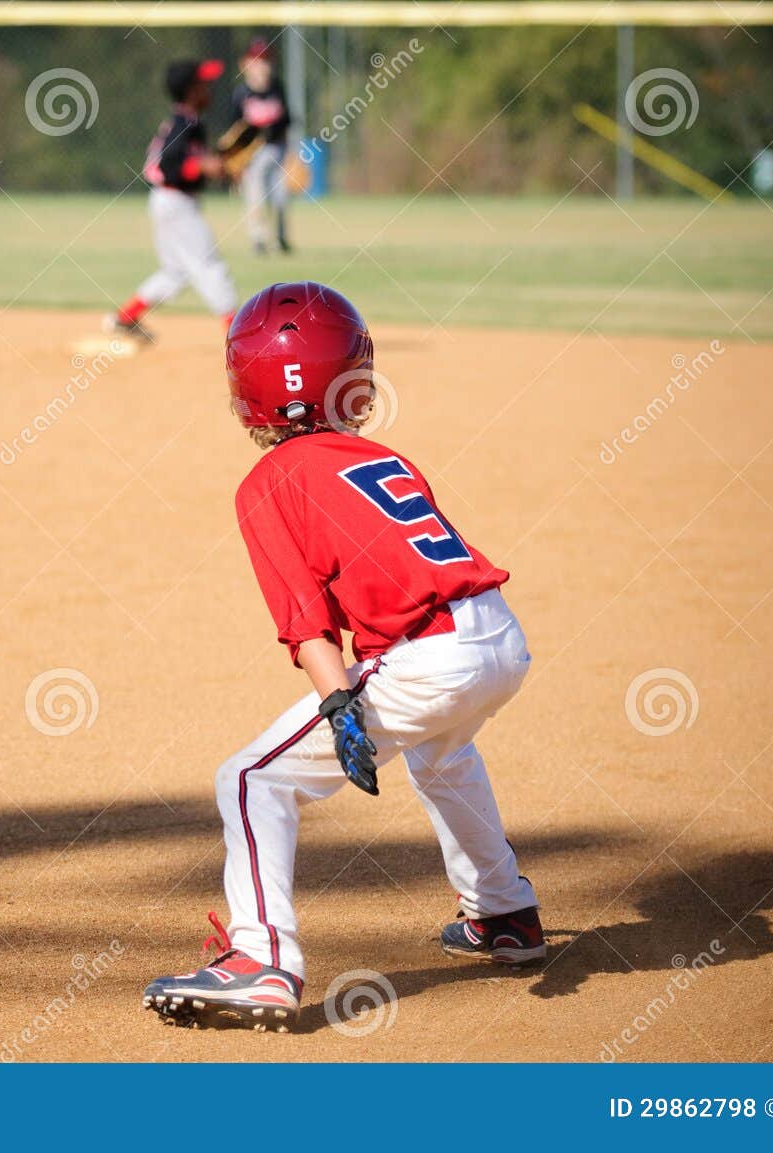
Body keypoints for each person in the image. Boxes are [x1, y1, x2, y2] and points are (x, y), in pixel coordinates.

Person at [142, 282, 544, 1033]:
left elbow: (308, 626)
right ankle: (502, 912)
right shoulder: (381, 457)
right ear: (353, 380)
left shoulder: (268, 481)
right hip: (497, 636)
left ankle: (262, 960)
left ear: (245, 389)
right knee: (443, 755)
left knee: (252, 779)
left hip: (428, 658)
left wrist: (339, 705)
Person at [106, 59, 238, 345]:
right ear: (191, 91)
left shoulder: (189, 122)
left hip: (169, 202)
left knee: (176, 272)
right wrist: (201, 166)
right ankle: (237, 335)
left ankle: (125, 318)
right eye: (203, 84)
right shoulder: (183, 123)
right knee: (210, 265)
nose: (209, 90)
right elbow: (168, 165)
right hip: (176, 203)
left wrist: (218, 169)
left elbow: (189, 163)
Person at [230, 37, 293, 254]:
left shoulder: (277, 88)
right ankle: (258, 239)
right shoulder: (241, 93)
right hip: (252, 153)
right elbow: (236, 129)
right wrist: (237, 160)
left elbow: (286, 121)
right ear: (245, 64)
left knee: (280, 196)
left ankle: (281, 238)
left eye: (266, 60)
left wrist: (290, 152)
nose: (262, 65)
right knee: (255, 195)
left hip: (277, 149)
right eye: (257, 60)